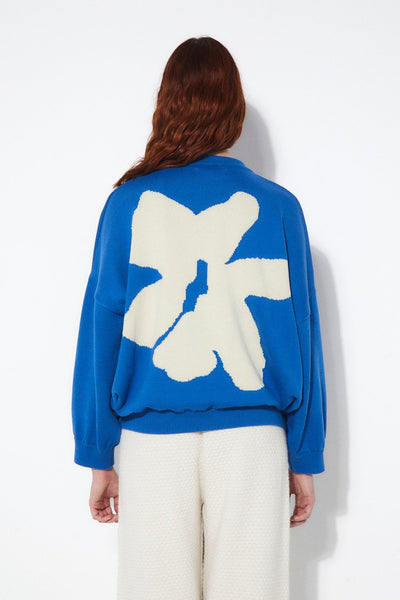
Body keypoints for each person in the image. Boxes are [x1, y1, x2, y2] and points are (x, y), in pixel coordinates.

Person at [71, 36, 327, 600]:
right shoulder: (279, 207)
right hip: (253, 441)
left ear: (166, 105)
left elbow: (101, 330)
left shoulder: (128, 204)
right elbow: (301, 335)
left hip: (151, 441)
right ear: (233, 110)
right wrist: (304, 453)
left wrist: (98, 452)